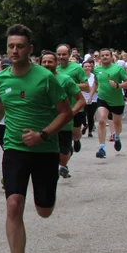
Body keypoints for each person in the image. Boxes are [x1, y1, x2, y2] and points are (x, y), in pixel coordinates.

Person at [0, 25, 73, 253]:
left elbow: (66, 112)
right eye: (11, 46)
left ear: (30, 49)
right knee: (14, 205)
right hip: (15, 149)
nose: (15, 51)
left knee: (44, 210)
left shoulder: (46, 78)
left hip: (45, 150)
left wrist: (43, 134)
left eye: (20, 46)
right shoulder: (2, 79)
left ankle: (47, 196)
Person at [40, 51, 85, 180]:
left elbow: (81, 100)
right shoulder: (35, 80)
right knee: (45, 153)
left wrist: (71, 113)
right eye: (44, 62)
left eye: (50, 62)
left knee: (64, 154)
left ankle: (63, 161)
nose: (47, 64)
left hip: (63, 123)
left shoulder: (66, 79)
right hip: (42, 123)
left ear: (56, 63)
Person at [91, 49, 127, 159]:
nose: (105, 57)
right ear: (100, 57)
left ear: (111, 57)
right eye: (102, 55)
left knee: (117, 122)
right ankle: (102, 148)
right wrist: (91, 95)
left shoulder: (118, 69)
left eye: (107, 55)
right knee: (101, 120)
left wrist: (118, 85)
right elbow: (96, 83)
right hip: (102, 98)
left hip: (117, 100)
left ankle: (117, 137)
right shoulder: (97, 70)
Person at [56, 45, 90, 154]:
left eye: (64, 54)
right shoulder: (54, 68)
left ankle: (76, 140)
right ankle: (67, 147)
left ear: (69, 55)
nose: (61, 57)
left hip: (76, 106)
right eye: (59, 54)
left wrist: (70, 85)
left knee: (75, 131)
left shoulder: (77, 68)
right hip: (61, 107)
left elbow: (87, 87)